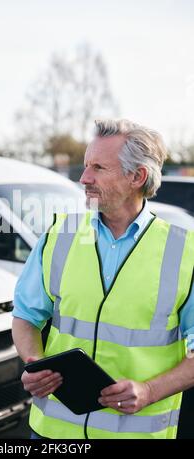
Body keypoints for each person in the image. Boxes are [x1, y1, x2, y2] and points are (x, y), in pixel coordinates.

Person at [12, 119, 194, 439]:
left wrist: (149, 390)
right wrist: (34, 363)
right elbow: (25, 316)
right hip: (52, 434)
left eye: (98, 167)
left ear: (137, 176)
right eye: (85, 166)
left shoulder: (185, 252)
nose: (84, 178)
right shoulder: (59, 235)